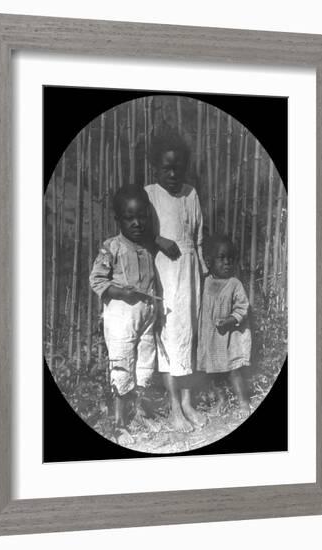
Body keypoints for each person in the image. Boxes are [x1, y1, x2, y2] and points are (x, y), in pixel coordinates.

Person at [145, 131, 207, 432]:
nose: (172, 174)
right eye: (165, 168)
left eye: (177, 168)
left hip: (190, 273)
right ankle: (173, 407)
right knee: (169, 339)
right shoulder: (149, 194)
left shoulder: (190, 194)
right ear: (155, 167)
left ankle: (187, 401)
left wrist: (203, 274)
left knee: (188, 337)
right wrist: (157, 239)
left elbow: (197, 236)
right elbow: (135, 230)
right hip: (163, 274)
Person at [89, 184, 157, 444]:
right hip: (121, 318)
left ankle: (140, 413)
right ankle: (119, 424)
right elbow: (97, 280)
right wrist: (120, 293)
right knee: (122, 366)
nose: (137, 223)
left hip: (147, 317)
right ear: (118, 220)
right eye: (129, 218)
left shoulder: (148, 245)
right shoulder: (111, 248)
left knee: (144, 365)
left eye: (141, 216)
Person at [197, 234, 251, 415]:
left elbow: (243, 308)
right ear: (209, 261)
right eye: (221, 258)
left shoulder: (234, 284)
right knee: (212, 373)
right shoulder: (204, 282)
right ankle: (222, 399)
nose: (227, 262)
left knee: (233, 372)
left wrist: (229, 320)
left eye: (230, 258)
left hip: (229, 339)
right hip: (209, 341)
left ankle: (244, 403)